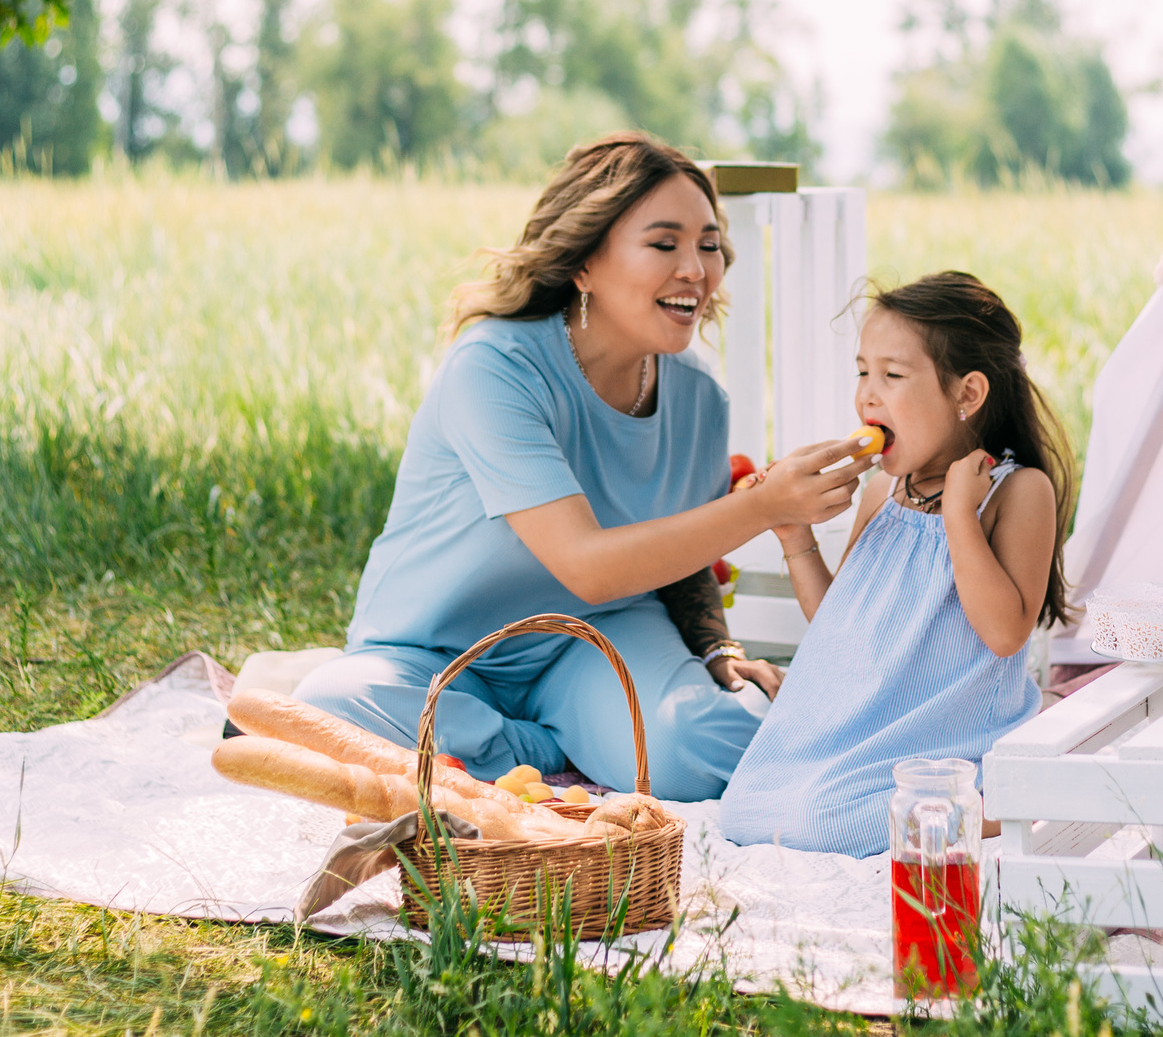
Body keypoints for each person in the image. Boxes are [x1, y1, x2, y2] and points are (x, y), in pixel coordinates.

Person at [288, 133, 874, 801]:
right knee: (323, 709)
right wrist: (767, 506)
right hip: (437, 653)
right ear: (586, 261)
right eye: (664, 243)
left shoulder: (699, 396)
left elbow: (682, 554)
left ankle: (519, 752)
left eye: (709, 244)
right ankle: (557, 746)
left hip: (596, 642)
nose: (697, 269)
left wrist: (718, 652)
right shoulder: (495, 368)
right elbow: (586, 563)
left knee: (705, 748)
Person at [717, 271, 1075, 855]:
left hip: (950, 739)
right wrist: (793, 535)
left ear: (967, 395)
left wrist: (960, 516)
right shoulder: (883, 492)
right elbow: (842, 625)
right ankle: (940, 811)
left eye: (892, 375)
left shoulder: (1018, 491)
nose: (867, 395)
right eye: (863, 371)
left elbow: (1006, 633)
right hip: (866, 728)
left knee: (813, 825)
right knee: (748, 808)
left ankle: (988, 802)